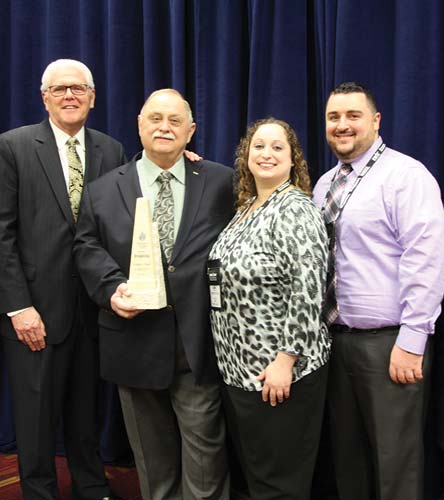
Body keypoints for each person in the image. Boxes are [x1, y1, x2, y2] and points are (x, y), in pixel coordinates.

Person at [73, 88, 233, 500]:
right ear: (139, 125)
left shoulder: (221, 181)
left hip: (198, 341)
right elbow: (86, 248)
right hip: (134, 338)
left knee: (205, 457)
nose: (164, 127)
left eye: (175, 121)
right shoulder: (102, 189)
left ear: (191, 130)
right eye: (155, 119)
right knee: (152, 459)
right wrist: (112, 289)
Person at [0, 59, 126, 500]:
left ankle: (93, 487)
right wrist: (18, 306)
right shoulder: (12, 147)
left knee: (87, 413)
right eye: (60, 89)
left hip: (93, 311)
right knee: (34, 419)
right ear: (44, 97)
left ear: (93, 97)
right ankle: (39, 492)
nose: (69, 96)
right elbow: (2, 233)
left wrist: (185, 162)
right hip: (34, 312)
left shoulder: (112, 150)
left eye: (78, 88)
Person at [312, 81, 444, 500]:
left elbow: (426, 259)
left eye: (353, 116)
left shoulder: (406, 176)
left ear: (376, 120)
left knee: (396, 463)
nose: (342, 125)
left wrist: (413, 340)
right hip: (335, 342)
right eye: (334, 117)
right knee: (347, 461)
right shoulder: (323, 185)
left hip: (390, 345)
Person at [208, 117, 330, 500]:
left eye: (278, 147)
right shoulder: (246, 207)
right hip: (240, 370)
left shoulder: (296, 209)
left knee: (280, 483)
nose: (267, 154)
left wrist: (286, 360)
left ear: (294, 160)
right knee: (260, 478)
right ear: (245, 155)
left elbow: (309, 290)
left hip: (278, 373)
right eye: (259, 146)